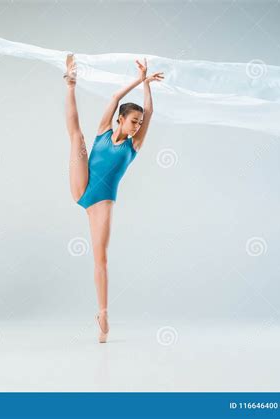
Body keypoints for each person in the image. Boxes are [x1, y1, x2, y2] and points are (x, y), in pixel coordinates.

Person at [63, 53, 164, 343]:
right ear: (120, 118)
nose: (136, 125)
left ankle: (103, 313)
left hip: (102, 202)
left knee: (101, 259)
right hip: (82, 186)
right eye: (133, 120)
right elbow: (116, 96)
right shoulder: (104, 132)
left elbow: (151, 113)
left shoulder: (133, 146)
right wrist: (138, 79)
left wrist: (148, 87)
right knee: (77, 138)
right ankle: (69, 85)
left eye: (139, 122)